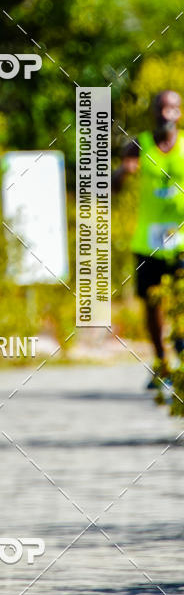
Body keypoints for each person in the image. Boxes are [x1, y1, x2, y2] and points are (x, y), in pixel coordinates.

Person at [114, 90, 184, 387]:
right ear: (154, 112)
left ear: (179, 113)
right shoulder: (137, 146)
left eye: (173, 108)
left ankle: (180, 346)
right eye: (161, 107)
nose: (166, 113)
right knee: (152, 305)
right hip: (149, 241)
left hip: (181, 238)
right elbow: (113, 186)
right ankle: (161, 363)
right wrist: (124, 172)